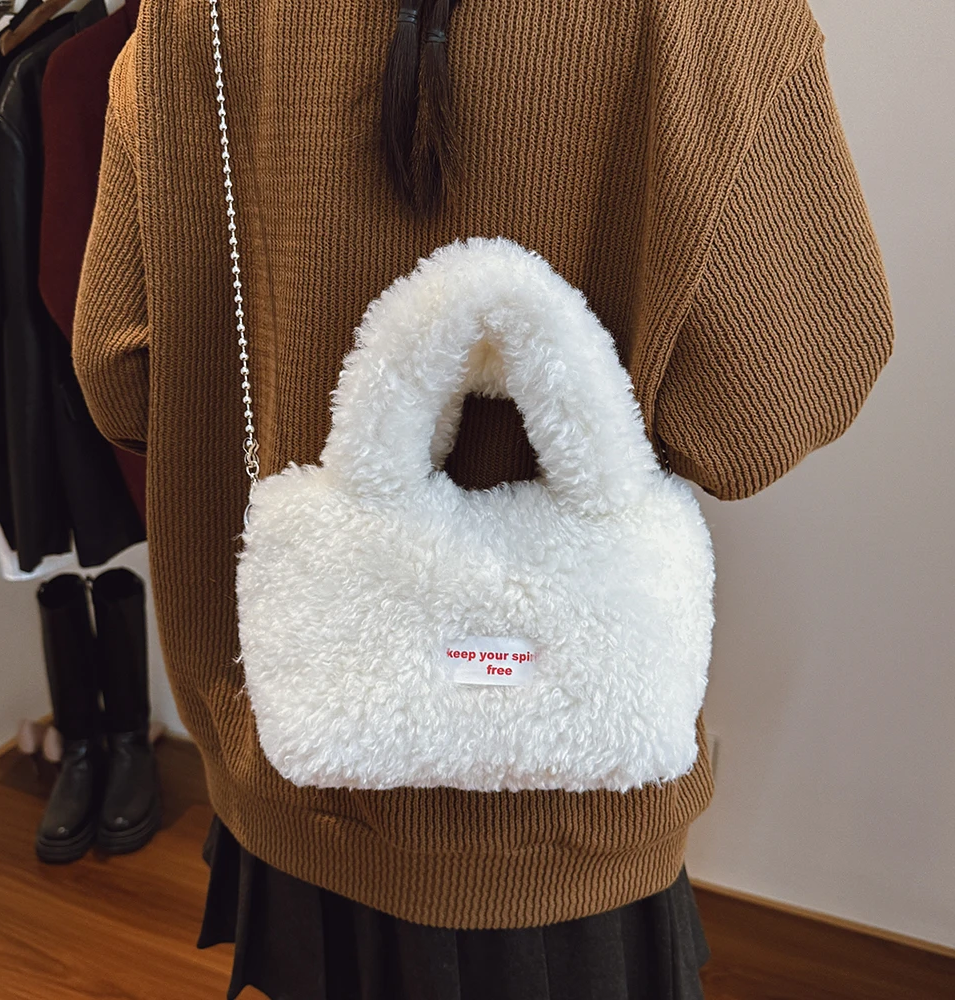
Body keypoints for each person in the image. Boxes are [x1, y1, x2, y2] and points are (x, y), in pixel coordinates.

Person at [73, 1, 894, 997]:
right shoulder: (707, 21)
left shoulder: (189, 16)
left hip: (299, 772)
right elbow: (766, 410)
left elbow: (121, 377)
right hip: (572, 821)